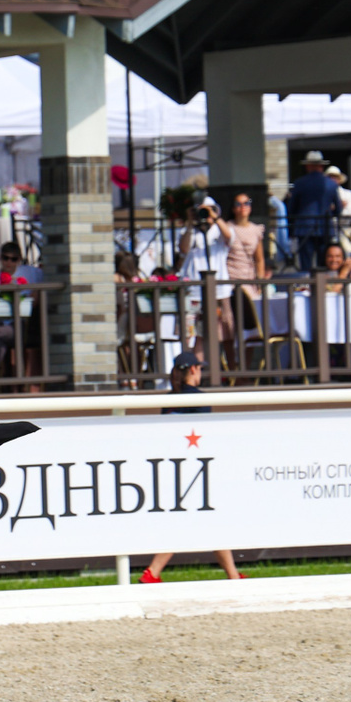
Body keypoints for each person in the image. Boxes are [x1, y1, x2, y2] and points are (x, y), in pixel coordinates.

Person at [146, 353, 240, 584]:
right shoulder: (199, 399)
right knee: (195, 519)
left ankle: (233, 576)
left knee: (207, 520)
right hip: (195, 467)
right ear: (194, 370)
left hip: (172, 465)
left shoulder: (170, 400)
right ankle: (152, 572)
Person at [174, 196, 233, 357]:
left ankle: (229, 367)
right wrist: (190, 222)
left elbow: (229, 237)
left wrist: (214, 217)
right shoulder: (190, 231)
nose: (204, 214)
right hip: (193, 291)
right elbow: (183, 249)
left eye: (208, 210)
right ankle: (192, 366)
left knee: (223, 332)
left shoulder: (219, 231)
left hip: (218, 291)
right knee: (190, 334)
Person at [287, 151, 340, 271]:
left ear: (308, 166)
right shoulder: (331, 184)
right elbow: (338, 209)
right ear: (321, 166)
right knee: (324, 262)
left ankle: (306, 281)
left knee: (305, 264)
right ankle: (324, 282)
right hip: (325, 228)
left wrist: (291, 226)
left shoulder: (300, 183)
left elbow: (292, 208)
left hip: (304, 227)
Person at [224, 193, 269, 298]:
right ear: (233, 208)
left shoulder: (256, 230)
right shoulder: (227, 228)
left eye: (246, 203)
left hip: (249, 280)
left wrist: (260, 282)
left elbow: (259, 259)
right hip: (230, 279)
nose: (243, 206)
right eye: (238, 204)